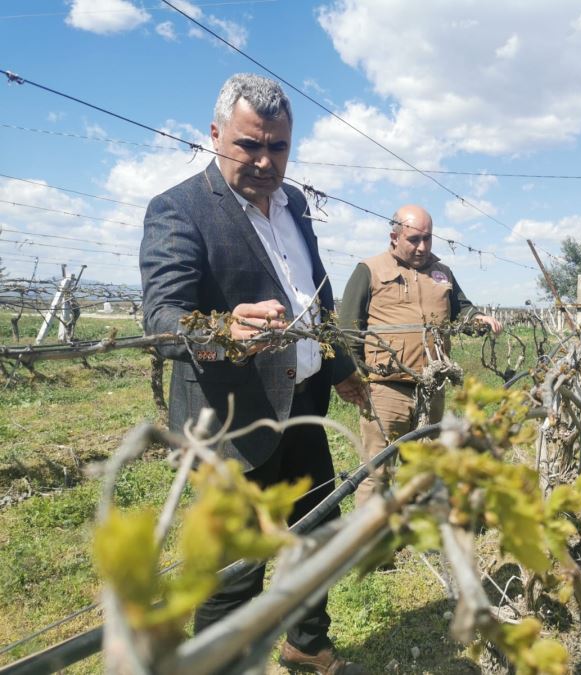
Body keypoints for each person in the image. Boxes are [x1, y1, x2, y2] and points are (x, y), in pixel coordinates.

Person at [140, 73, 368, 675]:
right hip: (232, 425)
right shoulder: (178, 209)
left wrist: (341, 366)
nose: (266, 162)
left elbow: (310, 297)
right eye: (249, 145)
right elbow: (162, 319)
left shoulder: (293, 204)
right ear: (215, 136)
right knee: (235, 569)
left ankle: (304, 640)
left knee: (317, 533)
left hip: (304, 409)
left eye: (279, 147)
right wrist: (220, 330)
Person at [339, 205, 502, 505]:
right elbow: (349, 328)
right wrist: (356, 376)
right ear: (394, 236)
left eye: (428, 239)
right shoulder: (370, 270)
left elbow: (461, 308)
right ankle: (366, 543)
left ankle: (414, 530)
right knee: (378, 470)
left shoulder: (442, 273)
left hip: (432, 389)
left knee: (424, 467)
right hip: (385, 389)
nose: (422, 247)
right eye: (414, 239)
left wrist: (477, 318)